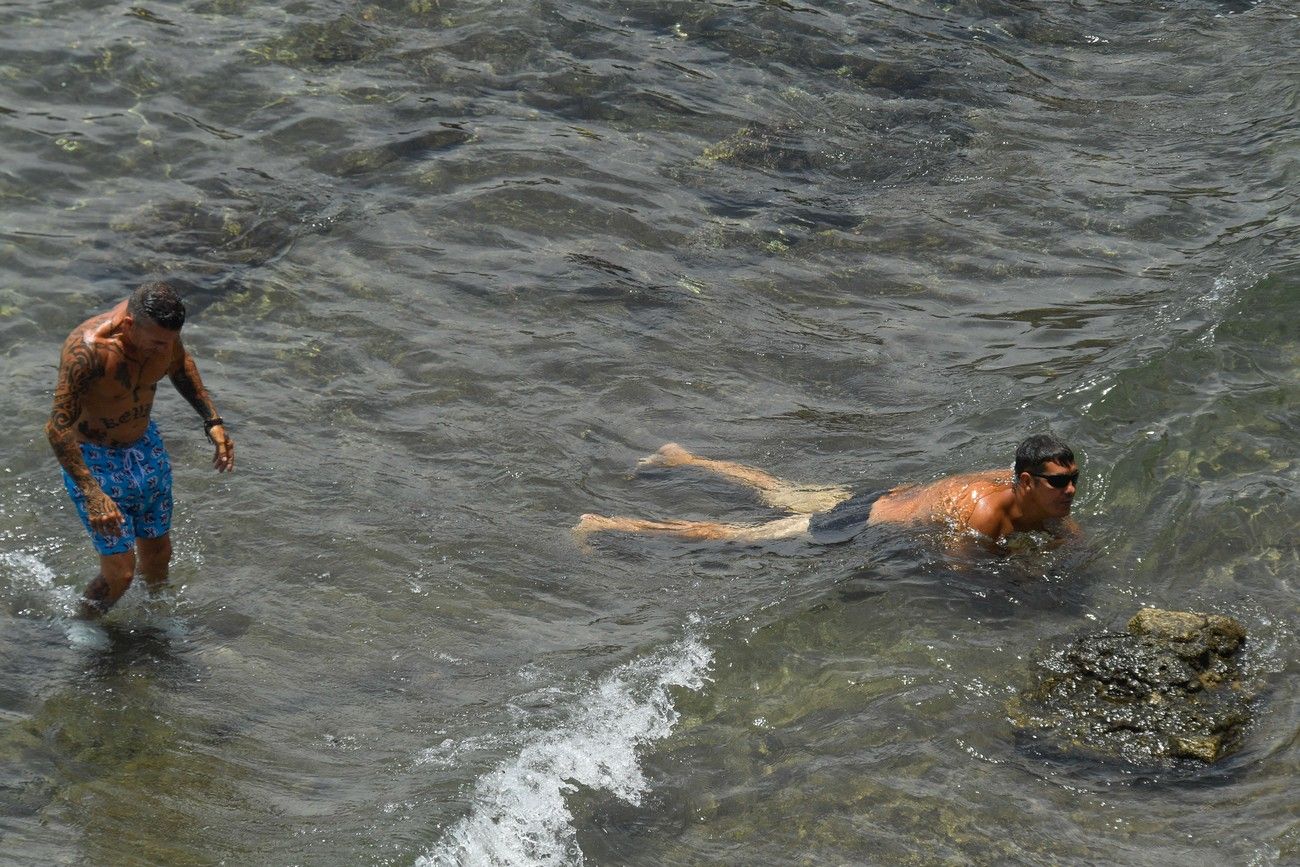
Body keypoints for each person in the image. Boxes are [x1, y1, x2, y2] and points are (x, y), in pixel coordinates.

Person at [46, 281, 235, 617]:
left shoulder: (163, 338)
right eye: (157, 344)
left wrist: (212, 421)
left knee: (159, 554)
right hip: (97, 459)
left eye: (170, 341)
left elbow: (180, 365)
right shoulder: (87, 351)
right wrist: (92, 493)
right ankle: (82, 624)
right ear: (130, 325)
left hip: (145, 447)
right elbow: (58, 429)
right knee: (121, 574)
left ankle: (157, 616)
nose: (164, 349)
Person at [574, 434, 1079, 547]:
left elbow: (1062, 528)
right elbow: (962, 575)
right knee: (743, 536)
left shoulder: (1030, 489)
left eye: (1074, 479)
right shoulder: (981, 515)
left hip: (888, 494)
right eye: (1060, 482)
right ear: (1028, 482)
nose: (1071, 489)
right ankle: (609, 524)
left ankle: (682, 460)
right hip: (859, 520)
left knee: (781, 490)